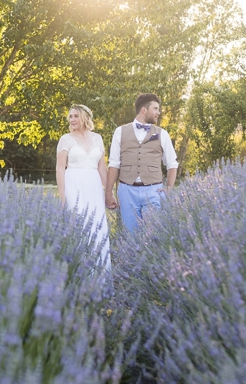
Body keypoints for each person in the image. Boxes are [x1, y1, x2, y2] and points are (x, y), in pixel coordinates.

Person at [105, 93, 178, 232]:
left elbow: (172, 163)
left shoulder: (162, 133)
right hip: (126, 191)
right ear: (144, 110)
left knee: (154, 235)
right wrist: (108, 193)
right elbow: (114, 164)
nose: (158, 112)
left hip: (154, 190)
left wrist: (169, 188)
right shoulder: (120, 132)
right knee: (130, 236)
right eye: (155, 109)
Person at [55, 104, 111, 272]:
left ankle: (99, 275)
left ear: (85, 118)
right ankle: (78, 274)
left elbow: (102, 169)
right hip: (74, 186)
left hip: (94, 188)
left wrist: (109, 193)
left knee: (96, 226)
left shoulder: (97, 139)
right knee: (78, 226)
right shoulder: (65, 139)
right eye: (70, 116)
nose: (72, 119)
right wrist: (63, 197)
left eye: (75, 116)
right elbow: (59, 168)